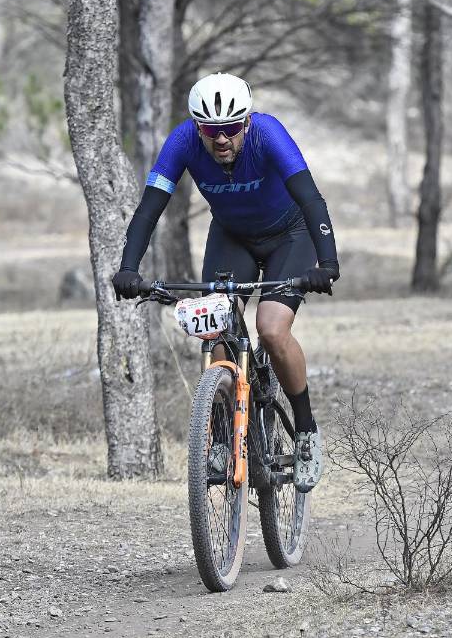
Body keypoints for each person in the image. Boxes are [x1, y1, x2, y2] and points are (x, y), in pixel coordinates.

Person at [111, 73, 339, 493]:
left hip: (289, 235)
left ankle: (305, 430)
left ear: (247, 123)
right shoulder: (182, 142)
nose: (221, 140)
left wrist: (327, 262)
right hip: (232, 236)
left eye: (231, 129)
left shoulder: (268, 133)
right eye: (211, 131)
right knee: (215, 328)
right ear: (198, 127)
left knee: (271, 329)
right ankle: (219, 433)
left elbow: (311, 199)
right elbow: (148, 211)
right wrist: (128, 268)